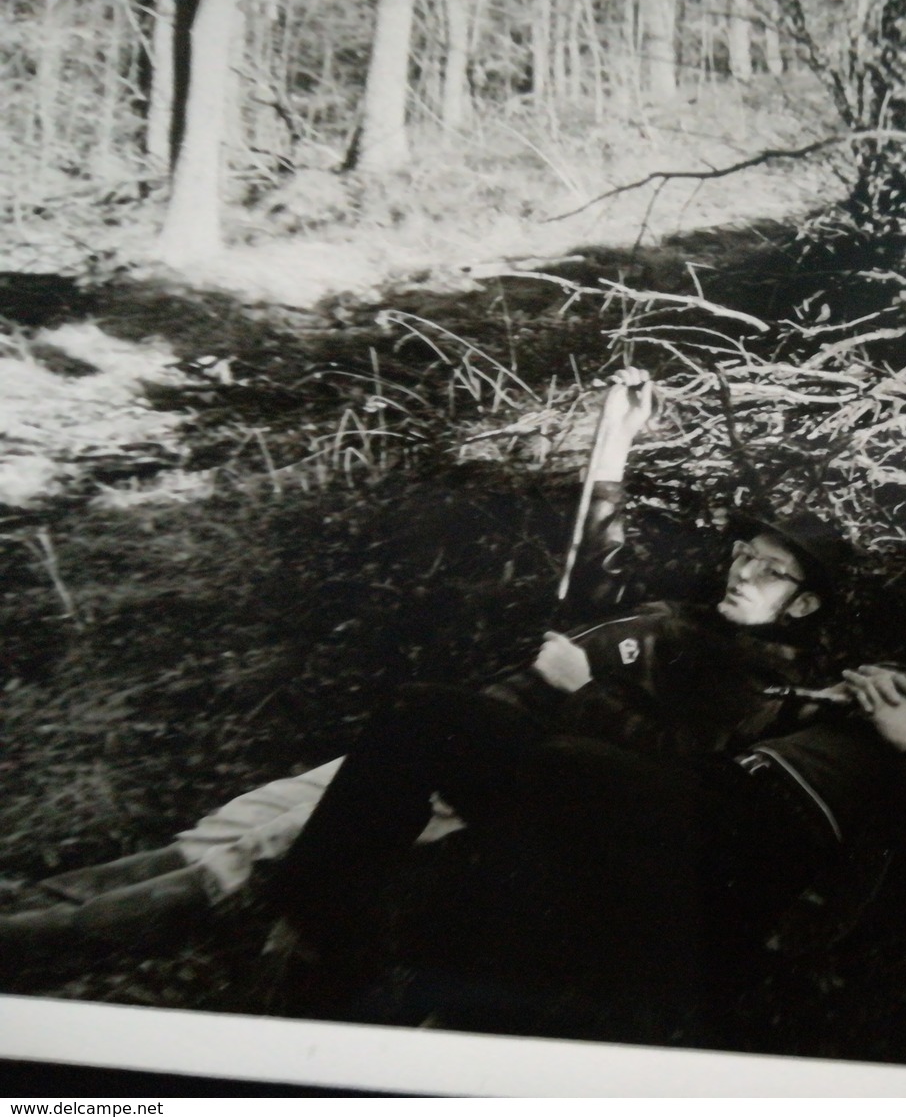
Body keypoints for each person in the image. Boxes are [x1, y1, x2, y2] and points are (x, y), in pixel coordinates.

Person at [0, 369, 846, 962]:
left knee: (248, 854)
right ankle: (31, 906)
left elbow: (675, 769)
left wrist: (581, 695)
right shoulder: (685, 613)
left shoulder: (755, 673)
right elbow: (594, 572)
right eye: (746, 554)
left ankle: (32, 938)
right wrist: (612, 441)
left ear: (804, 604)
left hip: (481, 776)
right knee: (228, 826)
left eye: (772, 571)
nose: (744, 572)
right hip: (428, 738)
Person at [262, 649, 906, 1032]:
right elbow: (742, 728)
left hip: (761, 852)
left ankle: (363, 973)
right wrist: (812, 698)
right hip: (704, 793)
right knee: (429, 717)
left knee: (555, 773)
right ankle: (315, 922)